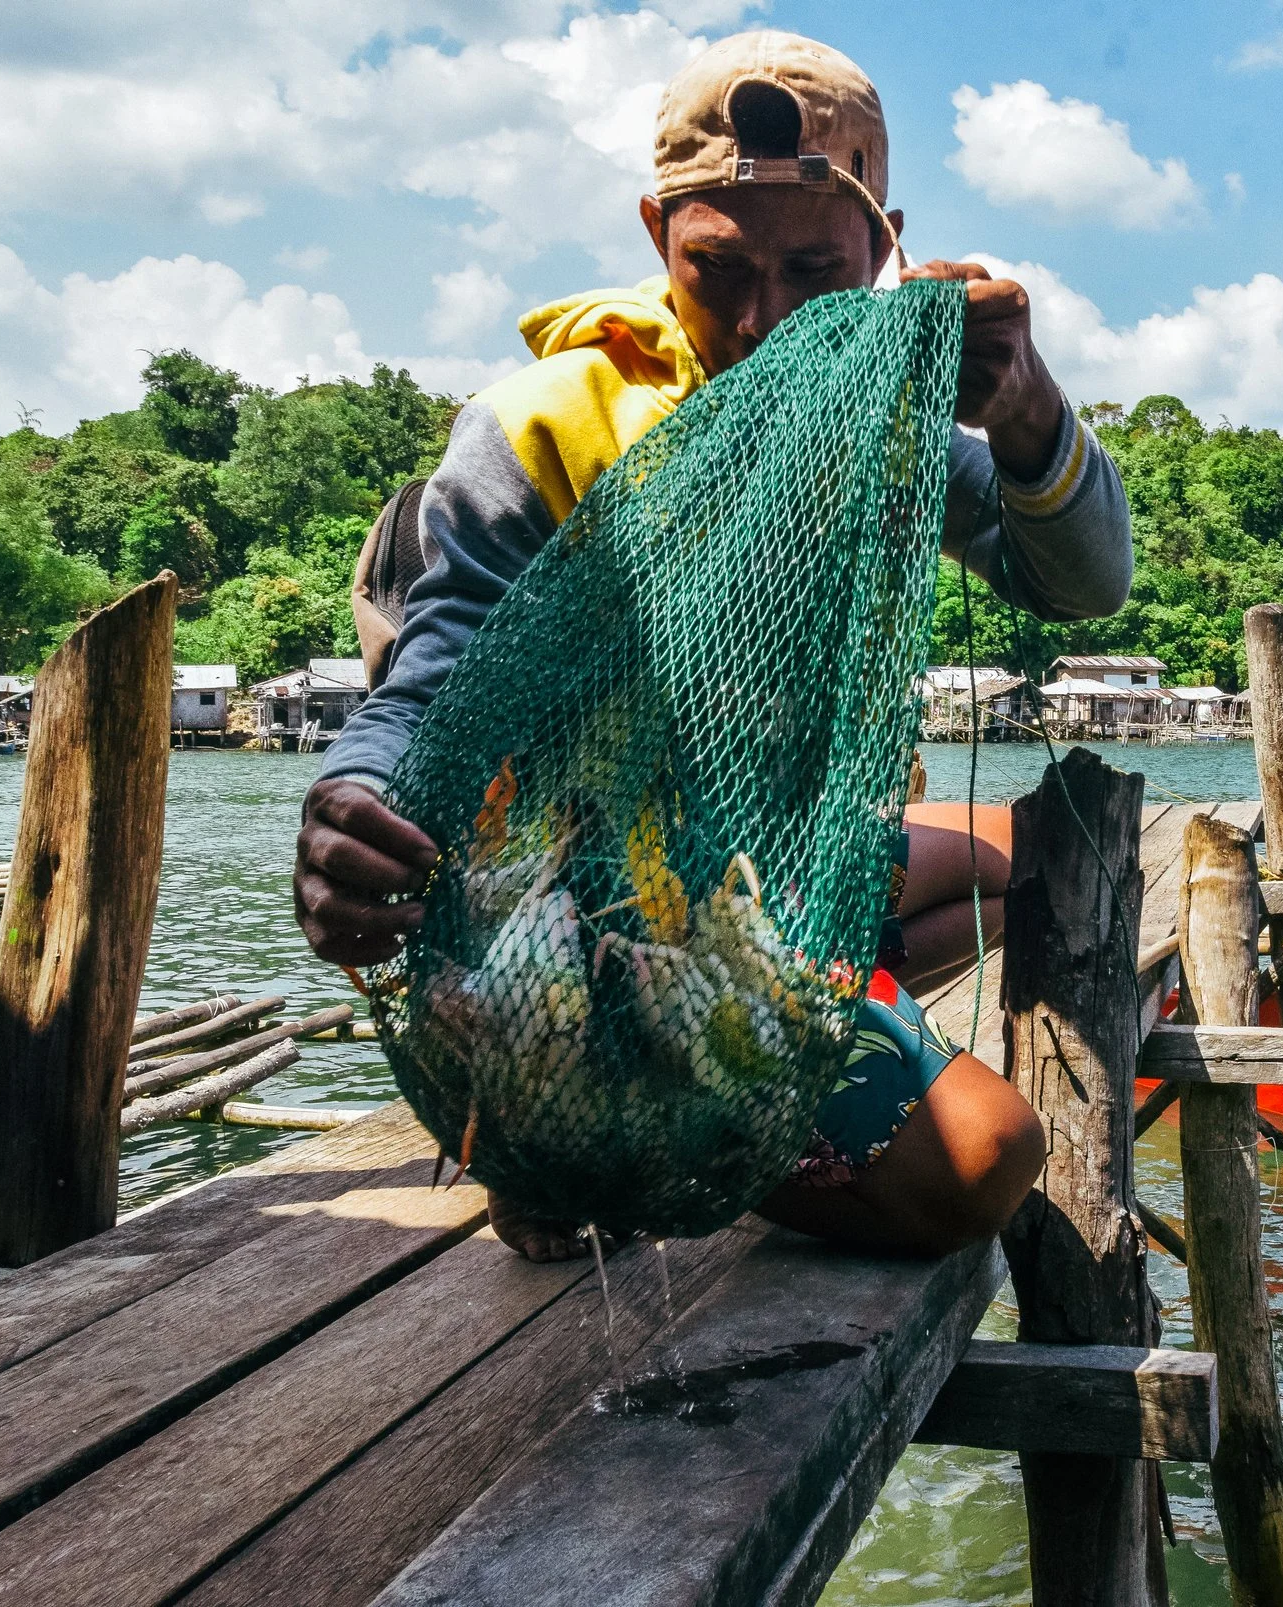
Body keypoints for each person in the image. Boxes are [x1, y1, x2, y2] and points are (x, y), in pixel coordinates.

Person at [293, 31, 1134, 1260]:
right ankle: (588, 1128)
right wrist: (348, 800)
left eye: (815, 271)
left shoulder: (877, 406)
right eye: (718, 271)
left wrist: (1025, 409)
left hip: (770, 879)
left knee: (1031, 855)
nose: (766, 319)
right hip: (594, 921)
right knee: (981, 1160)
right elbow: (434, 674)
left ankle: (814, 995)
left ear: (884, 244)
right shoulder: (544, 424)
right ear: (656, 235)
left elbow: (1085, 580)